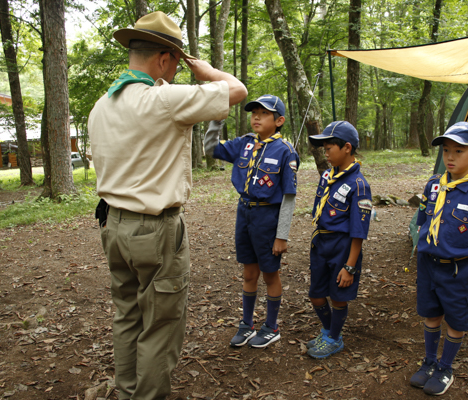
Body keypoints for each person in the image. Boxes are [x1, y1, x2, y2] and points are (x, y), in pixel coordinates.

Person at [88, 11, 246, 400]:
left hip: (113, 226)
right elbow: (237, 90)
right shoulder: (163, 99)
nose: (177, 71)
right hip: (155, 232)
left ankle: (126, 392)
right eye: (176, 61)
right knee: (160, 325)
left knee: (127, 315)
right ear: (163, 58)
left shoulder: (101, 106)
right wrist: (207, 71)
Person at [203, 95, 300, 348]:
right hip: (244, 212)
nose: (256, 116)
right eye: (254, 112)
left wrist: (282, 235)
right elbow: (210, 149)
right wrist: (216, 120)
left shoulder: (285, 151)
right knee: (248, 272)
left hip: (268, 217)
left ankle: (271, 326)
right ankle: (247, 324)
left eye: (264, 113)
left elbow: (289, 198)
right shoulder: (244, 144)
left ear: (279, 121)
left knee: (270, 274)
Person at [410, 122, 468, 395]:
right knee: (431, 314)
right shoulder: (433, 185)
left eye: (459, 151)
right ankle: (430, 361)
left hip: (459, 270)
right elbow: (422, 222)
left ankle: (446, 367)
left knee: (456, 320)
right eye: (446, 150)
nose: (450, 157)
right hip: (428, 266)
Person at [305, 121, 372, 359]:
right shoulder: (327, 175)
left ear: (346, 147)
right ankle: (329, 331)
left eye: (329, 146)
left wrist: (350, 266)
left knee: (338, 296)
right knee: (316, 293)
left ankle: (334, 338)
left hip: (342, 246)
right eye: (323, 147)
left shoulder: (359, 185)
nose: (325, 151)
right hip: (321, 243)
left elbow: (359, 231)